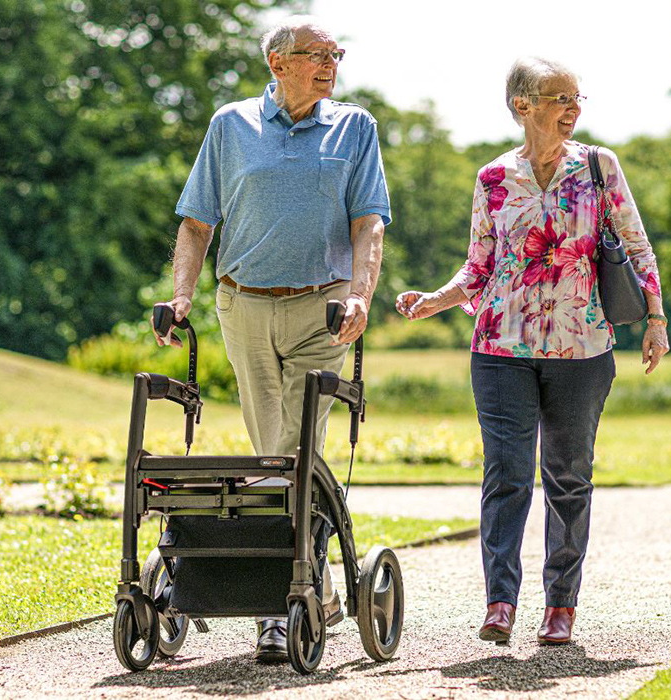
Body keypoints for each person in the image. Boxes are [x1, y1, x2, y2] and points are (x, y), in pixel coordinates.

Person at [395, 57, 668, 646]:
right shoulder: (493, 176)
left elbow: (635, 244)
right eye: (558, 98)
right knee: (507, 475)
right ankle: (500, 602)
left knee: (568, 477)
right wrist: (435, 299)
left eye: (576, 98)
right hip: (499, 346)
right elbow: (479, 263)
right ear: (523, 105)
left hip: (583, 347)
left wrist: (656, 317)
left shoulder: (599, 166)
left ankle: (560, 606)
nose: (572, 108)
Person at [156, 16, 391, 663]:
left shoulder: (355, 128)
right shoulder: (230, 126)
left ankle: (277, 608)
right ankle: (311, 582)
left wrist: (363, 294)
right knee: (271, 454)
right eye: (316, 55)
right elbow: (197, 223)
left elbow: (369, 224)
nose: (330, 65)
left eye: (336, 55)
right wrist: (183, 297)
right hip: (244, 307)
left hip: (322, 310)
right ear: (276, 62)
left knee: (290, 453)